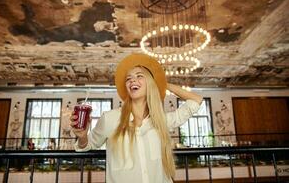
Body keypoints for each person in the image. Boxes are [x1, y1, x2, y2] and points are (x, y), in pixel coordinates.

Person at [70, 53, 202, 183]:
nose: (132, 80)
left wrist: (162, 84)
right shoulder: (110, 118)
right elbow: (87, 145)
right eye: (129, 78)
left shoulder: (162, 121)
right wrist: (82, 136)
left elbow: (196, 101)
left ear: (150, 83)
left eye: (140, 76)